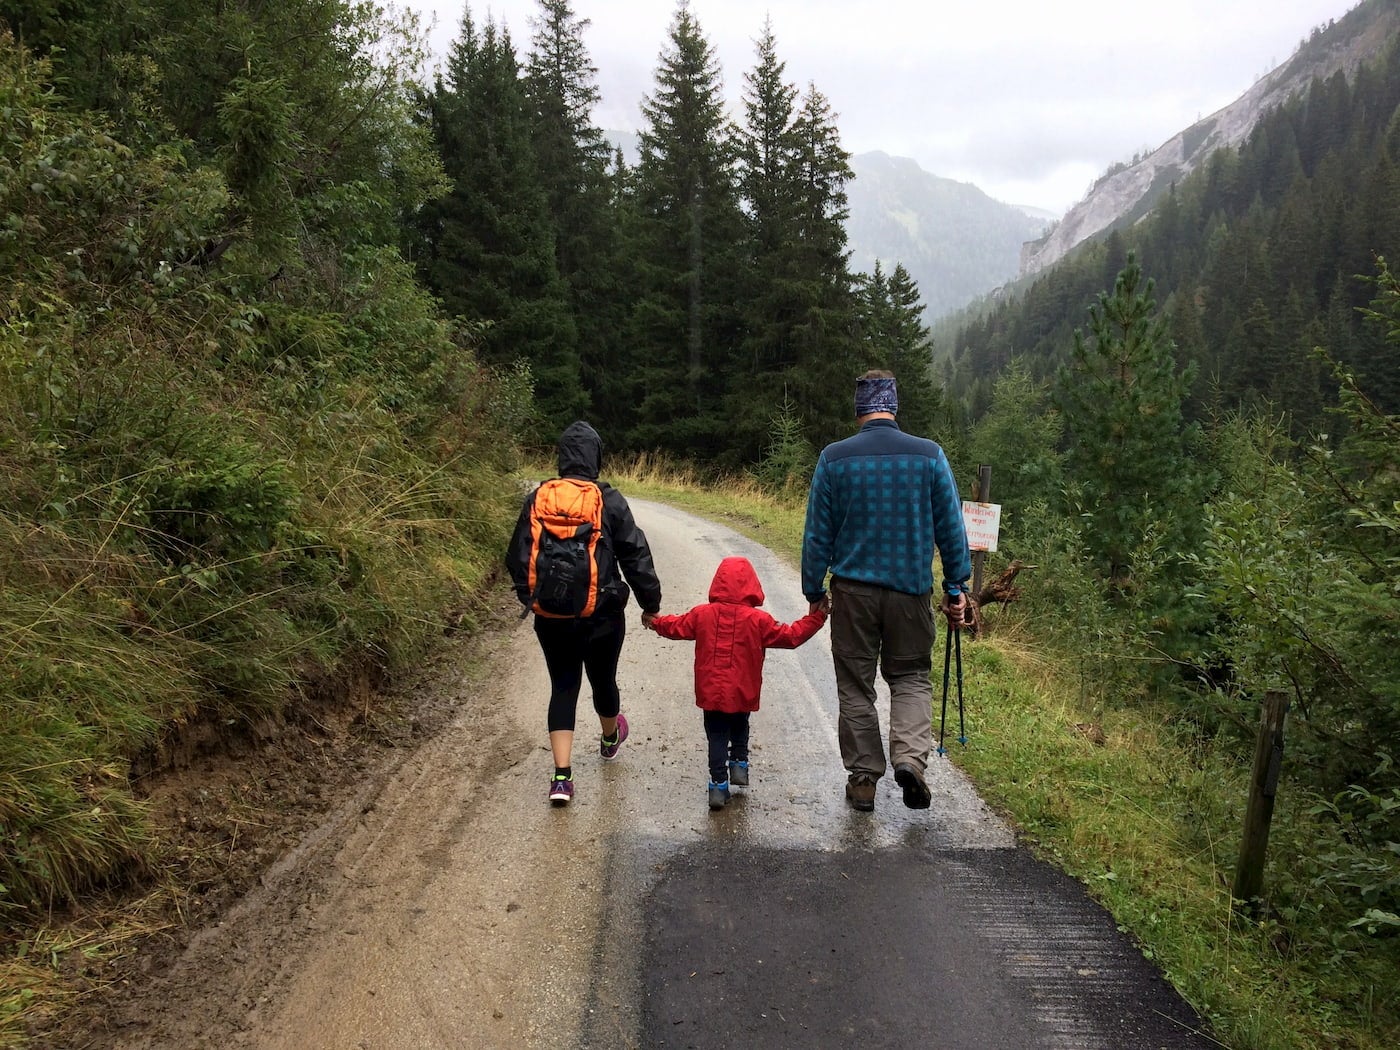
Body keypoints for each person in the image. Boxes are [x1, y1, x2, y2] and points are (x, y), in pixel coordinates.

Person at [800, 370, 973, 812]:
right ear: (893, 405)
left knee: (856, 685)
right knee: (911, 676)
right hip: (910, 592)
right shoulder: (929, 456)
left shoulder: (834, 459)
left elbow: (817, 534)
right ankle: (910, 761)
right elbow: (952, 530)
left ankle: (863, 780)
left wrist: (813, 587)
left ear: (858, 408)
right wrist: (957, 587)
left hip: (854, 594)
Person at [506, 421, 662, 805]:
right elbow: (635, 554)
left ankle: (561, 777)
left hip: (551, 617)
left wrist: (534, 598)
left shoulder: (538, 497)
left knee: (563, 686)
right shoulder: (608, 499)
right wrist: (650, 604)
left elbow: (517, 556)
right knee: (603, 680)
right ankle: (610, 737)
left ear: (561, 457)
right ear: (596, 457)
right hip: (602, 615)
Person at [648, 556, 828, 810]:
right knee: (740, 724)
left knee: (717, 735)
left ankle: (718, 785)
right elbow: (791, 636)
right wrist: (816, 618)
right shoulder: (759, 620)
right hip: (743, 689)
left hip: (711, 691)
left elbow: (676, 626)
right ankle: (740, 764)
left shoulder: (702, 615)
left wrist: (655, 621)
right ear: (752, 585)